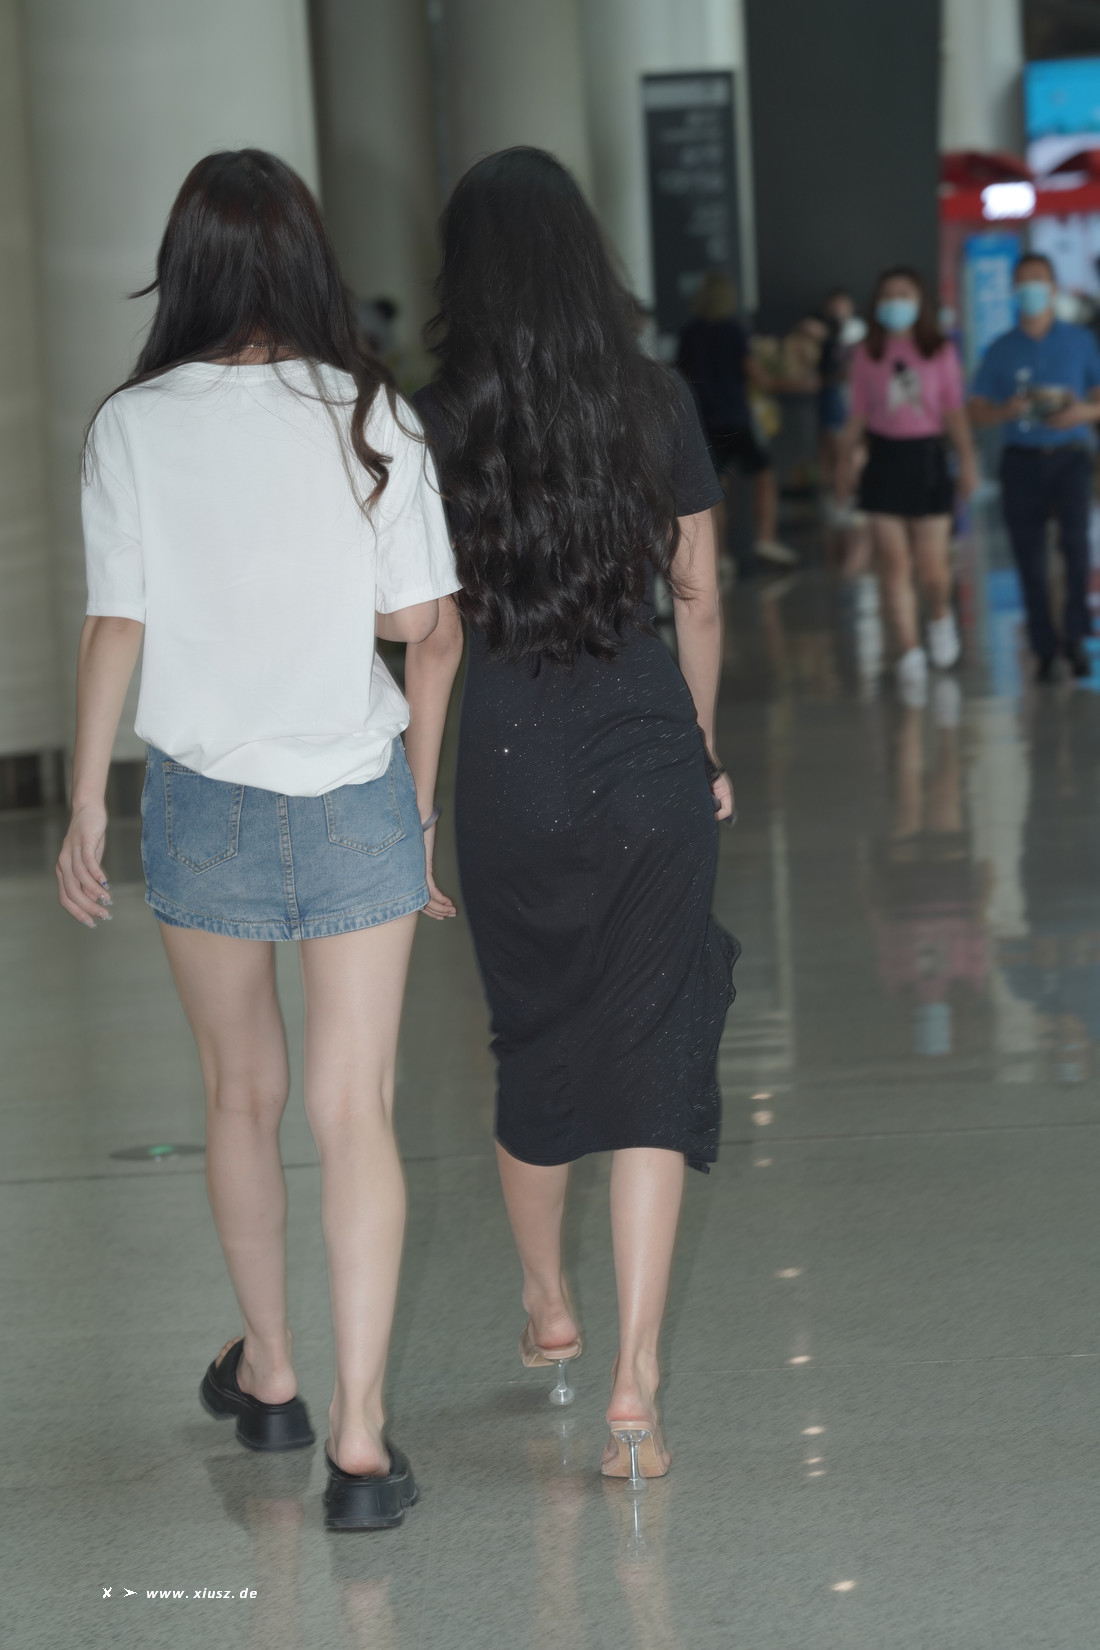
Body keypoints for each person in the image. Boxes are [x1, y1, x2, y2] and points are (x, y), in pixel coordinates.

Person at [54, 150, 460, 1533]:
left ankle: (273, 1373)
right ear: (304, 260)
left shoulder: (132, 424)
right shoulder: (369, 411)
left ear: (184, 266)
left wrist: (85, 801)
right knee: (355, 1111)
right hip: (353, 790)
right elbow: (424, 627)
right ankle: (360, 1438)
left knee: (241, 1094)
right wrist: (417, 804)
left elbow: (117, 620)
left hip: (202, 799)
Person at [407, 148, 739, 1481]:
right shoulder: (653, 400)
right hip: (650, 755)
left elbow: (432, 632)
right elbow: (698, 594)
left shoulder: (436, 419)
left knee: (533, 1040)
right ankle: (633, 1391)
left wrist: (415, 809)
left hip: (508, 764)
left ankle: (548, 1300)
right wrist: (699, 746)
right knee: (654, 1053)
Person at [837, 267, 978, 703]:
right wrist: (844, 460)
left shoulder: (940, 350)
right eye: (888, 295)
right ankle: (909, 649)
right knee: (894, 563)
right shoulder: (867, 353)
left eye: (904, 294)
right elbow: (858, 412)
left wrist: (968, 460)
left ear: (920, 302)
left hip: (928, 459)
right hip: (884, 460)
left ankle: (939, 615)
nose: (895, 302)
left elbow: (953, 409)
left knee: (932, 567)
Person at [968, 252, 1100, 682]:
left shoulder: (1079, 341)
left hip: (1070, 457)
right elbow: (976, 409)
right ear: (1013, 290)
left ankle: (1076, 636)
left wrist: (1081, 413)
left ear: (1053, 287)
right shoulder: (1001, 349)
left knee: (1076, 548)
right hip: (1021, 460)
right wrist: (1005, 410)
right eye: (1023, 281)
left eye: (1038, 280)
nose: (1031, 289)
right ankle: (1042, 647)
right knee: (1028, 556)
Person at [677, 269, 799, 569]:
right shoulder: (735, 330)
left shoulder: (690, 332)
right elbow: (757, 376)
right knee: (764, 474)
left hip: (703, 421)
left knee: (714, 491)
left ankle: (719, 557)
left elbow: (680, 375)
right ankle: (765, 539)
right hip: (734, 417)